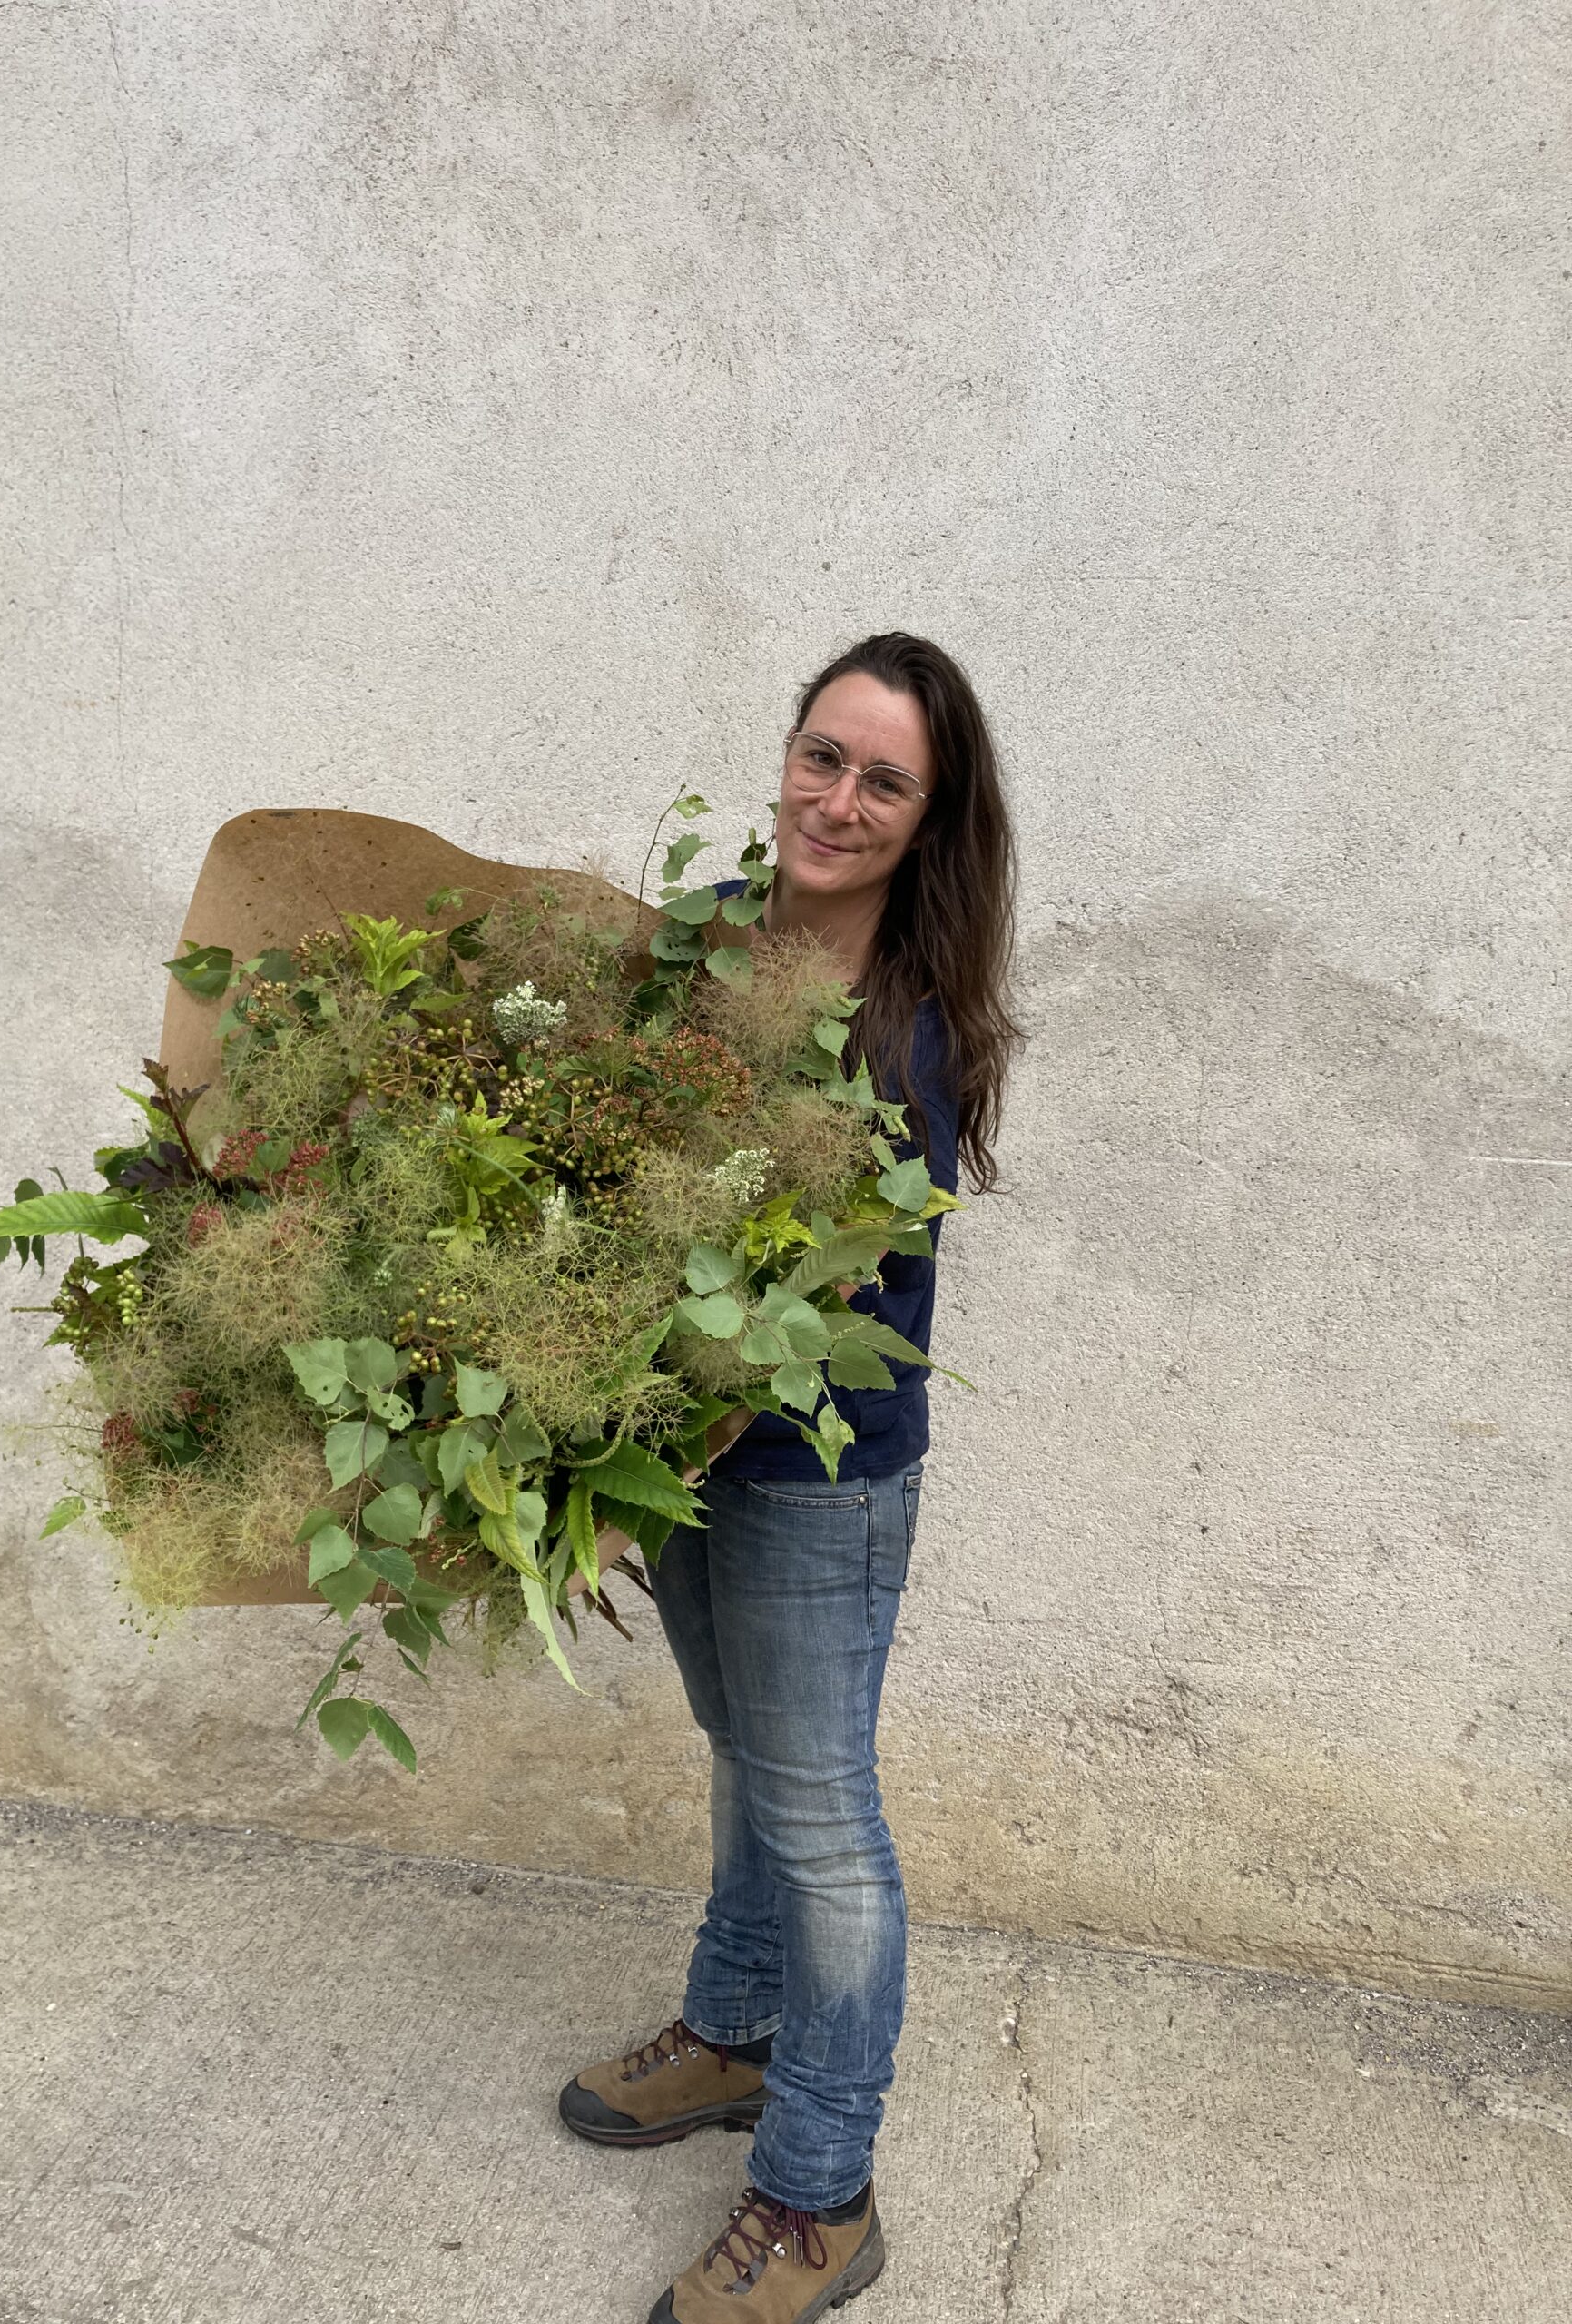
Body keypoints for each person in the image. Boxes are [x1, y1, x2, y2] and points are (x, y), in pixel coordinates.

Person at [559, 633, 1021, 2323]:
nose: (839, 800)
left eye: (886, 781)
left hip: (818, 1476)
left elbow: (826, 1299)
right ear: (787, 756)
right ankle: (737, 2025)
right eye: (823, 756)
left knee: (821, 1814)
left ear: (930, 819)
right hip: (680, 1452)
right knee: (741, 1746)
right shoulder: (699, 949)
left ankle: (822, 2190)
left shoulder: (911, 1032)